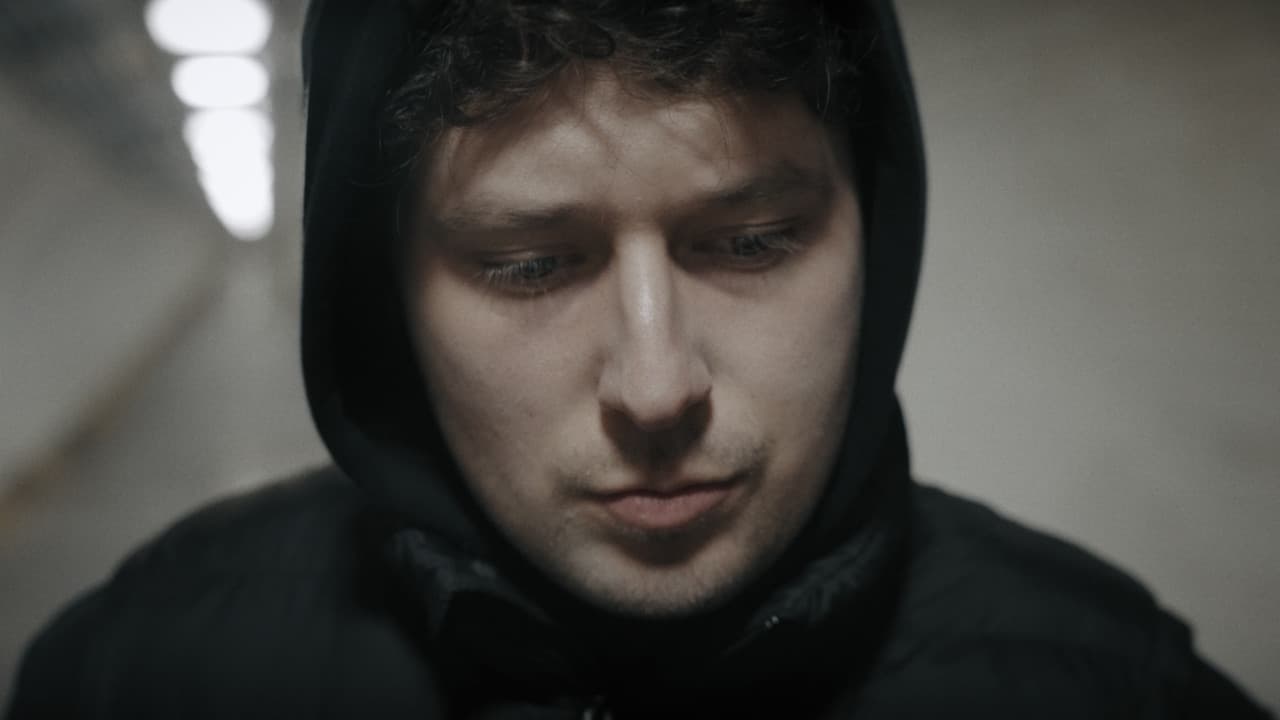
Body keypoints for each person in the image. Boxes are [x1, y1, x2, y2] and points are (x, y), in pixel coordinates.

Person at [6, 0, 1273, 717]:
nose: (657, 388)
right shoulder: (137, 681)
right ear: (382, 297)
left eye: (753, 242)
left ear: (873, 237)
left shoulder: (1115, 694)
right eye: (527, 265)